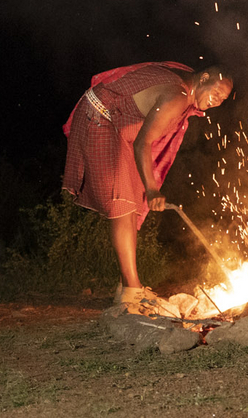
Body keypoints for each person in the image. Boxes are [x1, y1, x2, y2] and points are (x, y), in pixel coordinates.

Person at [62, 62, 233, 312]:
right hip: (100, 117)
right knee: (122, 202)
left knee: (131, 198)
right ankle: (131, 293)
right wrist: (152, 189)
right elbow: (143, 142)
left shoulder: (184, 85)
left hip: (116, 125)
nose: (218, 101)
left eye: (223, 99)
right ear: (205, 77)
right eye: (217, 92)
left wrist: (147, 187)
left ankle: (127, 285)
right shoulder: (178, 95)